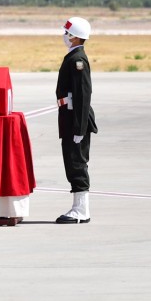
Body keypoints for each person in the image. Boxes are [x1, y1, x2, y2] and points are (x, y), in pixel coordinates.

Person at [56, 17, 98, 224]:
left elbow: (83, 95)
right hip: (70, 118)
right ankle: (78, 207)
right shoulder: (72, 57)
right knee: (71, 163)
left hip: (76, 120)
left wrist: (80, 129)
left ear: (75, 36)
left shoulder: (78, 60)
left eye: (67, 32)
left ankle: (81, 211)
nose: (64, 36)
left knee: (77, 163)